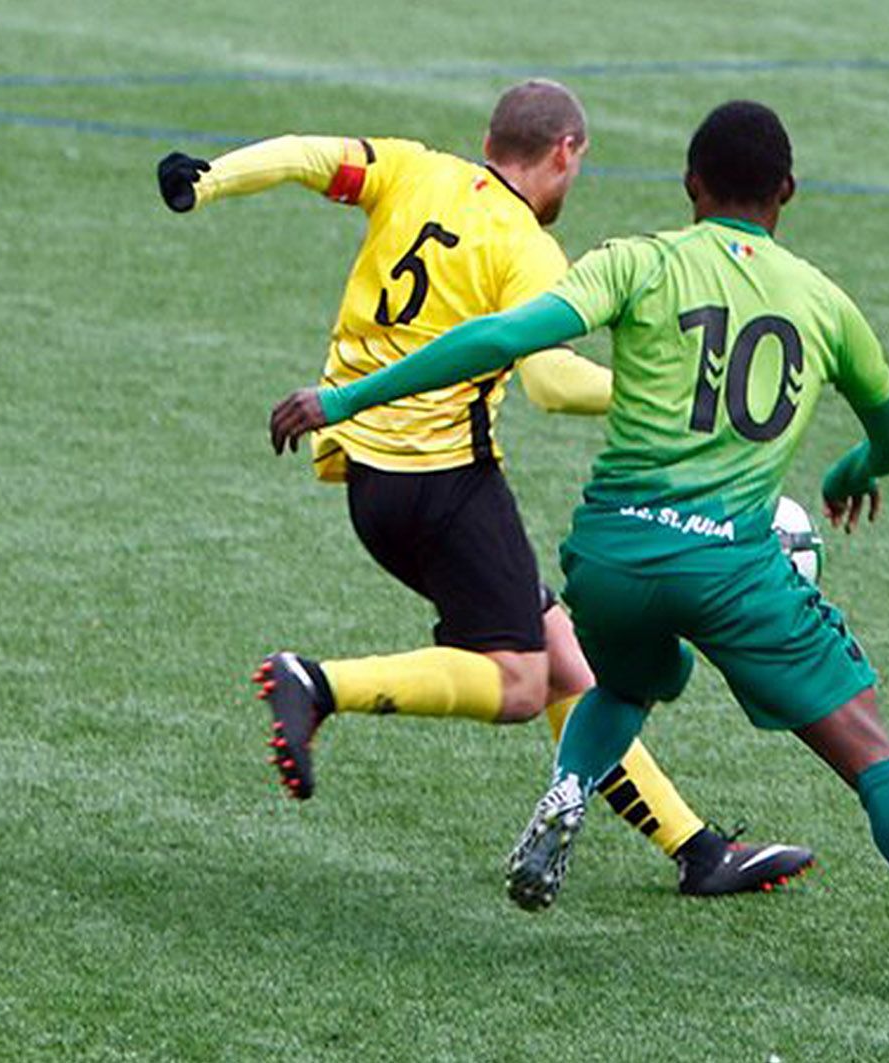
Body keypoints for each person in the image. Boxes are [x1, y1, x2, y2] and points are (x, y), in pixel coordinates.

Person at [268, 100, 889, 1001]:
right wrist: (854, 467)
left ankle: (568, 784)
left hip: (614, 555)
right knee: (872, 751)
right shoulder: (824, 304)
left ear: (690, 185)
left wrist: (347, 399)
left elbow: (499, 337)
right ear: (788, 191)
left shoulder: (638, 260)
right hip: (734, 567)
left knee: (629, 680)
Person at [156, 81, 813, 897]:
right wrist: (663, 395)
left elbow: (305, 153)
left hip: (373, 483)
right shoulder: (528, 248)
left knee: (567, 658)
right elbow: (551, 382)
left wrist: (208, 178)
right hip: (447, 486)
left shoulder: (410, 169)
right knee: (518, 680)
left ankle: (696, 849)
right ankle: (317, 682)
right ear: (565, 150)